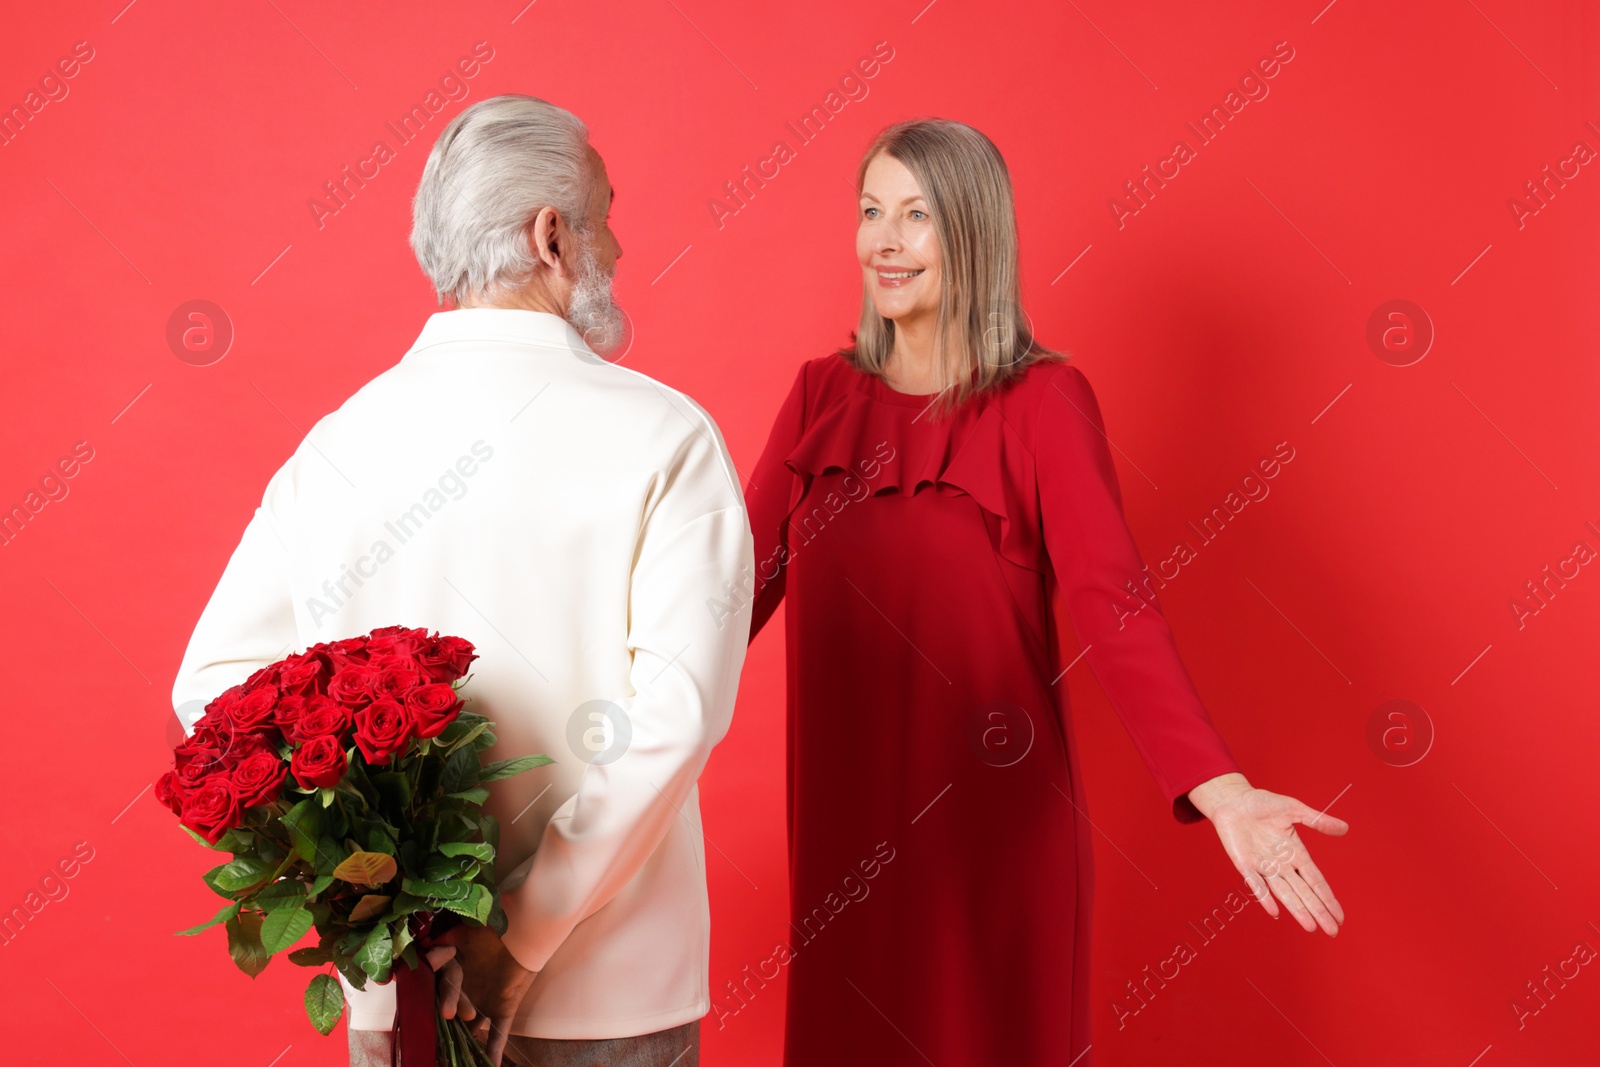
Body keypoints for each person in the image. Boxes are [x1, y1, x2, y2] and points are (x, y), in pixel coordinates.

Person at [740, 117, 1350, 1065]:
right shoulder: (822, 395)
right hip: (845, 842)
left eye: (917, 216)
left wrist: (1219, 788)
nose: (884, 242)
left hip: (992, 833)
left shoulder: (1044, 402)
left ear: (975, 232)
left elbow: (1117, 604)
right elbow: (727, 592)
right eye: (870, 212)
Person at [170, 94, 753, 1067]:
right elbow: (675, 718)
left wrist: (368, 896)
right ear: (552, 235)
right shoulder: (665, 434)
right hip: (610, 1000)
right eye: (607, 215)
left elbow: (213, 690)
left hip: (398, 992)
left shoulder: (339, 445)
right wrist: (512, 942)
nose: (617, 245)